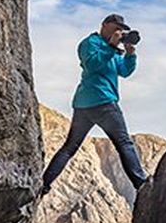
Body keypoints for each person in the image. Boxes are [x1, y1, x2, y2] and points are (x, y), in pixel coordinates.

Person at [39, 13, 149, 196]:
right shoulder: (89, 43)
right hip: (103, 102)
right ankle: (141, 183)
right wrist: (112, 46)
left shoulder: (111, 50)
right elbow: (92, 64)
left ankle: (44, 184)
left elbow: (124, 71)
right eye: (116, 27)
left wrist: (130, 54)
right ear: (104, 25)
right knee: (124, 143)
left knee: (70, 147)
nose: (119, 31)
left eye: (121, 30)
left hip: (84, 105)